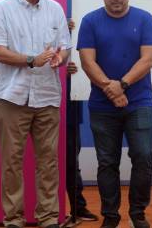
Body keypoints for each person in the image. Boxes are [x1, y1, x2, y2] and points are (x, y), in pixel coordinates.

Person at [0, 0, 72, 228]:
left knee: (48, 162)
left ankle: (47, 219)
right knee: (11, 162)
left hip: (47, 96)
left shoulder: (54, 8)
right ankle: (14, 220)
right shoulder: (0, 8)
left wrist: (59, 58)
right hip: (12, 97)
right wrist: (32, 60)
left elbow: (64, 47)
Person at [77, 0, 152, 228]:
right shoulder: (90, 21)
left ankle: (138, 214)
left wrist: (121, 85)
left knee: (144, 157)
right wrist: (110, 90)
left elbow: (148, 59)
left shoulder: (145, 19)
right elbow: (87, 61)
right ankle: (111, 217)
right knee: (107, 162)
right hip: (102, 105)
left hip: (139, 102)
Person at [64, 20, 99, 224]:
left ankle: (78, 207)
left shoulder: (81, 34)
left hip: (69, 112)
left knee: (71, 162)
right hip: (38, 106)